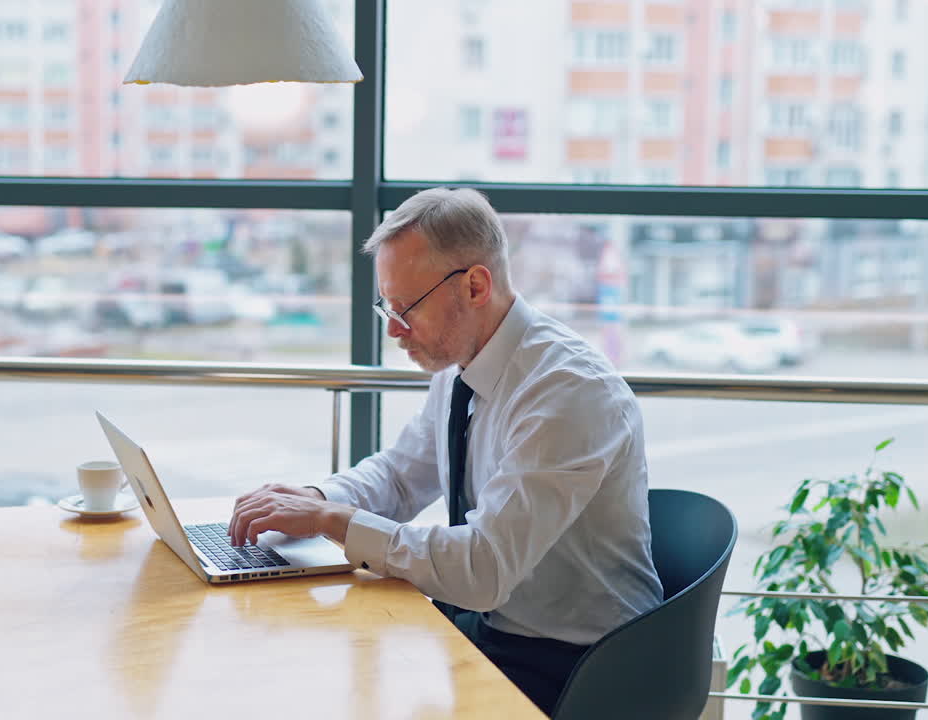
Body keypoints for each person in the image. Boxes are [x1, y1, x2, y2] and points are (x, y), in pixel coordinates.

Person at [227, 187, 663, 714]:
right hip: (495, 629)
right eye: (386, 305)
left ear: (476, 285)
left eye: (406, 307)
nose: (392, 328)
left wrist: (331, 519)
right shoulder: (463, 365)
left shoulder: (568, 392)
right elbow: (400, 477)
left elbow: (483, 570)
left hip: (582, 664)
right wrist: (311, 499)